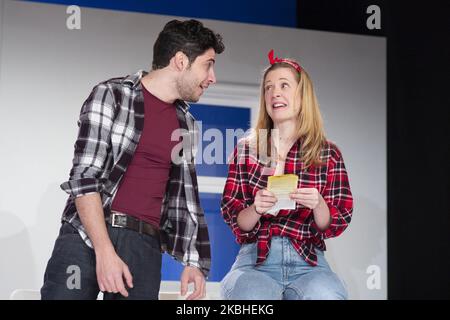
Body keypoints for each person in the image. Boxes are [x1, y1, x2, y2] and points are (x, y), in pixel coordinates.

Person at [41, 19, 225, 300]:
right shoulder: (112, 95)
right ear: (180, 61)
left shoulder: (186, 124)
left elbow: (184, 196)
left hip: (143, 247)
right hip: (84, 237)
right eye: (208, 64)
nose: (212, 77)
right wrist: (104, 251)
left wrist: (193, 261)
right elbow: (84, 177)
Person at [220, 50, 353, 300]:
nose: (274, 93)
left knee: (327, 296)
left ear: (303, 96)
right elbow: (237, 220)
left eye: (284, 85)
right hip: (255, 261)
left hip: (308, 261)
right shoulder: (247, 149)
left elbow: (334, 221)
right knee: (251, 297)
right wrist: (256, 208)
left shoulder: (328, 153)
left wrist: (318, 204)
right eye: (268, 88)